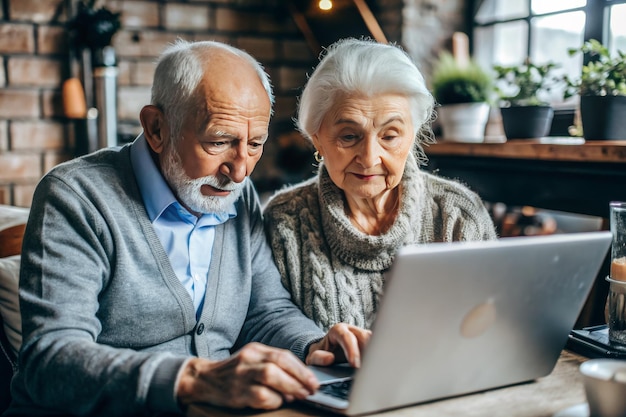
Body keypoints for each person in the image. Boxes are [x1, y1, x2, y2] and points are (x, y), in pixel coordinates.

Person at [5, 40, 370, 417]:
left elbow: (266, 312)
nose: (240, 171)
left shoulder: (233, 193)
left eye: (255, 143)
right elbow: (49, 359)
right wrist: (194, 378)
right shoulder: (76, 196)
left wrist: (315, 346)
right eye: (219, 141)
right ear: (156, 127)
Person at [263, 38, 498, 332]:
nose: (370, 158)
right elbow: (269, 325)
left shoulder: (458, 215)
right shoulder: (285, 221)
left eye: (390, 136)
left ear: (412, 135)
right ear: (317, 139)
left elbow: (491, 325)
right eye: (349, 136)